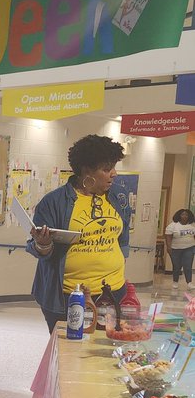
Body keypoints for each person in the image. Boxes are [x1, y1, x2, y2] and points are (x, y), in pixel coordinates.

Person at [27, 134, 131, 332]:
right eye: (107, 169)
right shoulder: (55, 202)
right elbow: (38, 249)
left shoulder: (118, 196)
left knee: (106, 354)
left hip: (113, 293)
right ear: (86, 171)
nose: (114, 174)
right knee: (70, 356)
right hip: (68, 296)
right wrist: (43, 244)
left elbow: (122, 237)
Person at [163, 208, 195, 293]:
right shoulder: (173, 225)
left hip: (189, 248)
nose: (184, 216)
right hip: (176, 249)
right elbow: (168, 237)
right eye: (183, 214)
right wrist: (169, 248)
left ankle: (189, 282)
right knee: (176, 266)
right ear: (179, 216)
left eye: (186, 215)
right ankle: (175, 281)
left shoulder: (192, 225)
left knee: (188, 265)